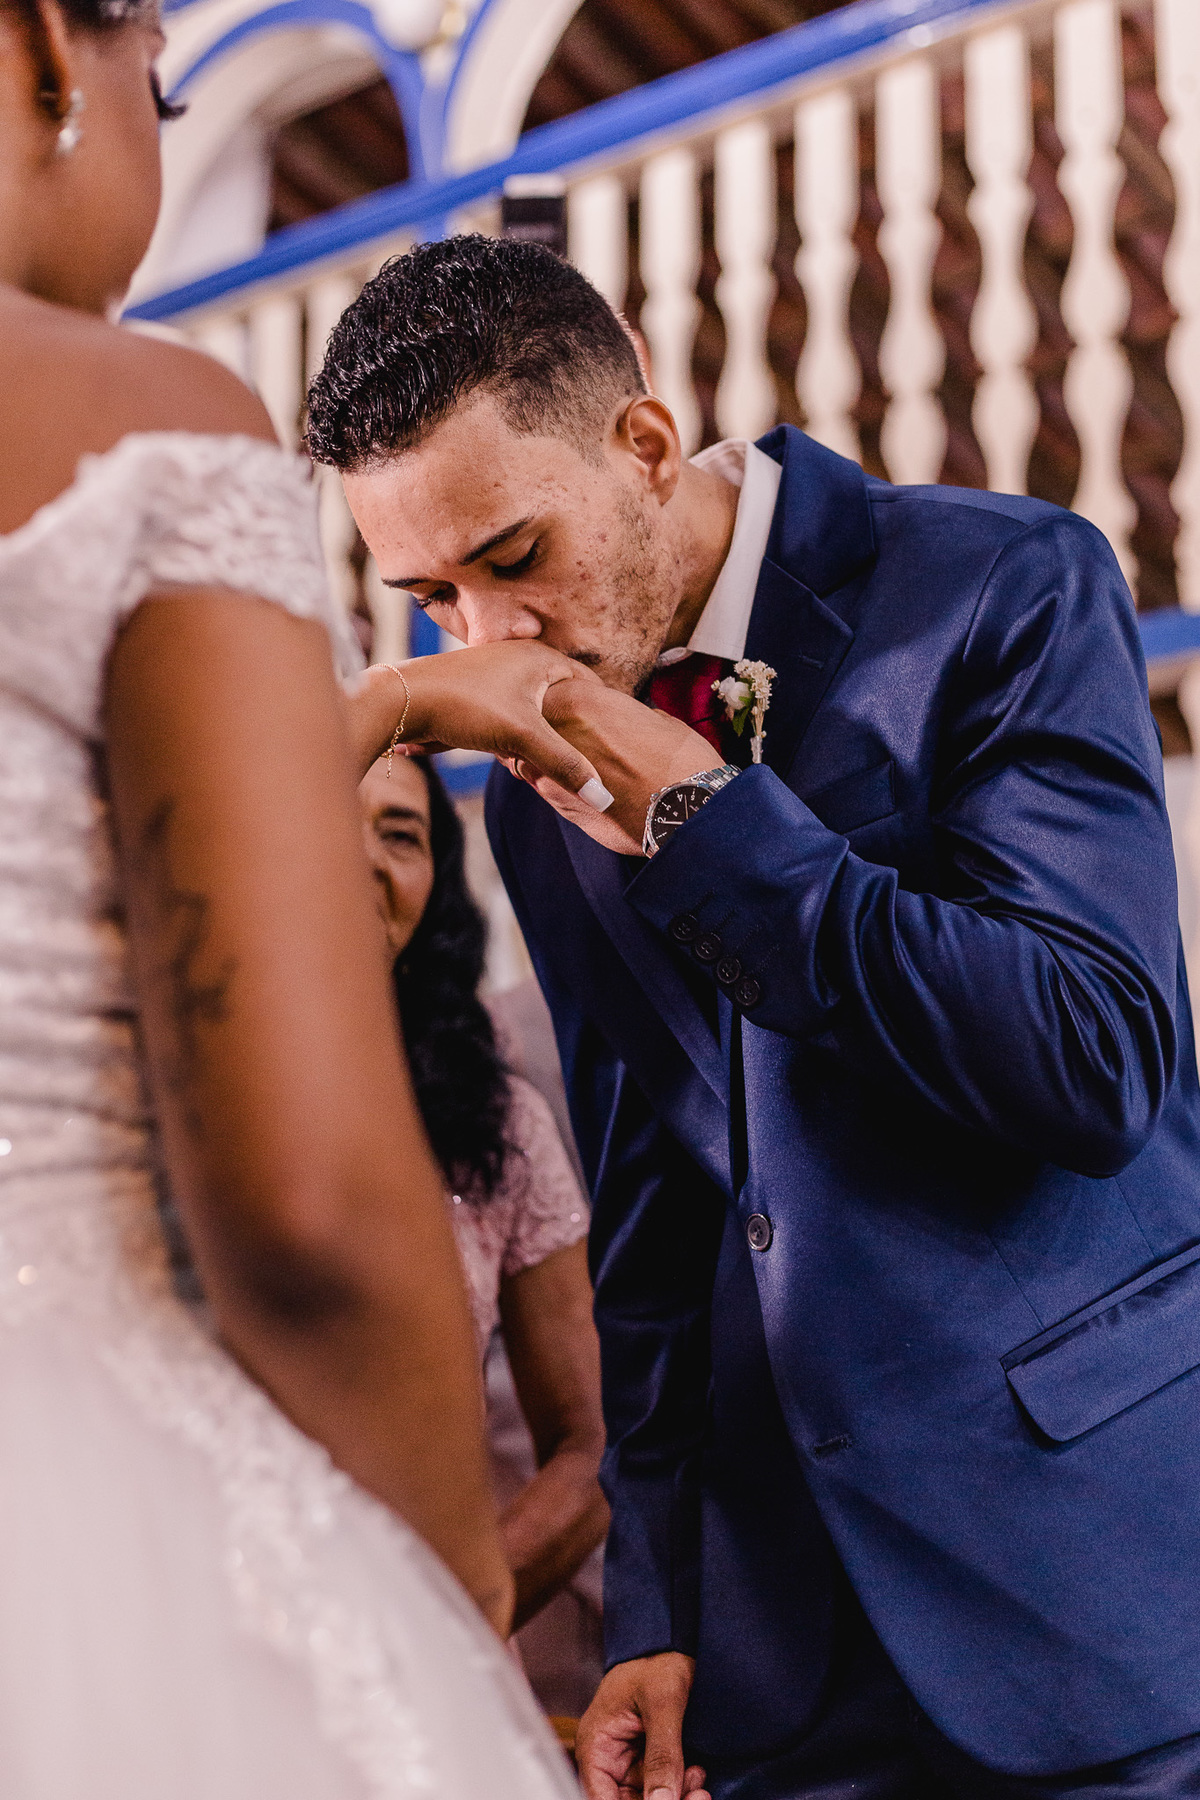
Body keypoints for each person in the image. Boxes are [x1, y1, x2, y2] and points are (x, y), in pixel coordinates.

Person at [311, 234, 1200, 1800]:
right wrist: (660, 1601)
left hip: (1084, 1580)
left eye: (513, 558)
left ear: (644, 447)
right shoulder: (526, 779)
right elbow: (652, 1208)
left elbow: (1091, 1057)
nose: (483, 644)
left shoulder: (1006, 582)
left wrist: (700, 814)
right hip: (777, 1661)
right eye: (430, 597)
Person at [0, 10, 579, 1792]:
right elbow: (315, 1207)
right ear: (46, 47)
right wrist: (447, 1609)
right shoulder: (134, 421)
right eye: (160, 85)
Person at [358, 751, 608, 1653]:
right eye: (329, 814)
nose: (369, 860)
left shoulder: (497, 1120)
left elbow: (589, 1446)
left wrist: (442, 1622)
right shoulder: (148, 1085)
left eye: (402, 834)